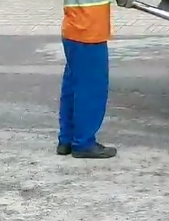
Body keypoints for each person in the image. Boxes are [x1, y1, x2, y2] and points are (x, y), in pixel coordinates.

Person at [58, 0, 117, 159]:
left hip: (75, 29)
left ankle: (67, 140)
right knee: (91, 90)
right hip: (88, 31)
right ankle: (83, 143)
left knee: (73, 86)